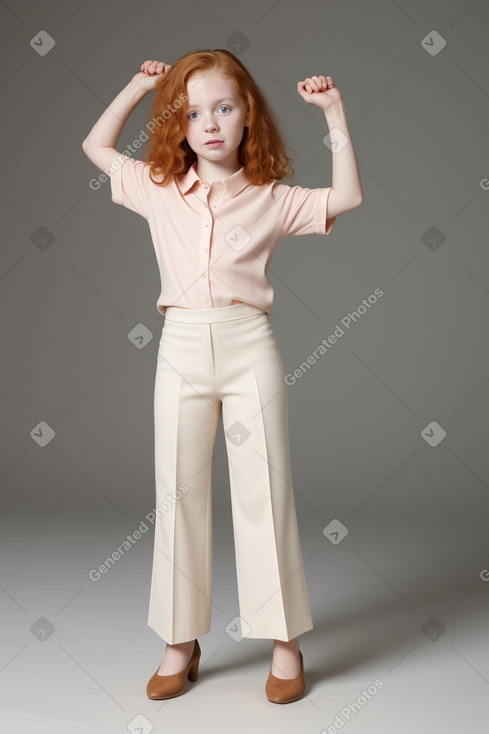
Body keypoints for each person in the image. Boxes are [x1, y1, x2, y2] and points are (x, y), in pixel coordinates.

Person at [82, 48, 363, 704]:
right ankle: (180, 641)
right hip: (179, 347)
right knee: (177, 495)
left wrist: (334, 112)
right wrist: (134, 87)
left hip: (247, 348)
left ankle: (284, 641)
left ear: (248, 118)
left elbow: (346, 195)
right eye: (192, 112)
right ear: (176, 125)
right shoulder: (157, 189)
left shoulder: (269, 198)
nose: (208, 123)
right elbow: (95, 146)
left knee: (263, 492)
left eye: (224, 108)